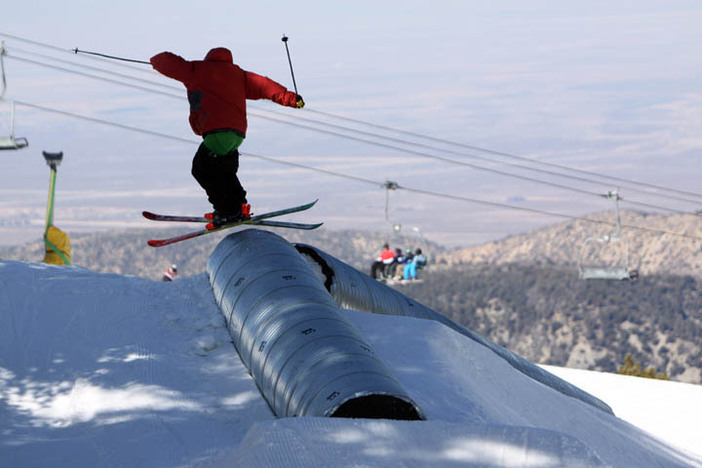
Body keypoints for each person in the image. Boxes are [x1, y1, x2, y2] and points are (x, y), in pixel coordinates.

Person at [150, 47, 305, 229]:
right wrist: (292, 99)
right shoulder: (240, 75)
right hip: (237, 135)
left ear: (209, 60)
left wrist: (154, 62)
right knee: (225, 172)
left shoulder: (199, 71)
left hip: (217, 133)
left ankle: (227, 211)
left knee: (201, 169)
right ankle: (239, 207)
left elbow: (164, 61)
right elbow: (265, 86)